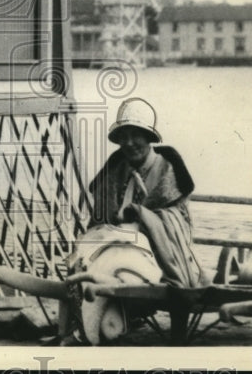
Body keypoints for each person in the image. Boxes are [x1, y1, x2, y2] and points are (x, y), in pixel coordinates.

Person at [88, 97, 207, 291]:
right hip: (116, 246)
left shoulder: (168, 171)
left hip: (159, 251)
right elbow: (100, 218)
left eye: (136, 135)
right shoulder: (115, 171)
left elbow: (176, 222)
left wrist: (141, 215)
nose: (129, 143)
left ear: (148, 137)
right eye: (123, 137)